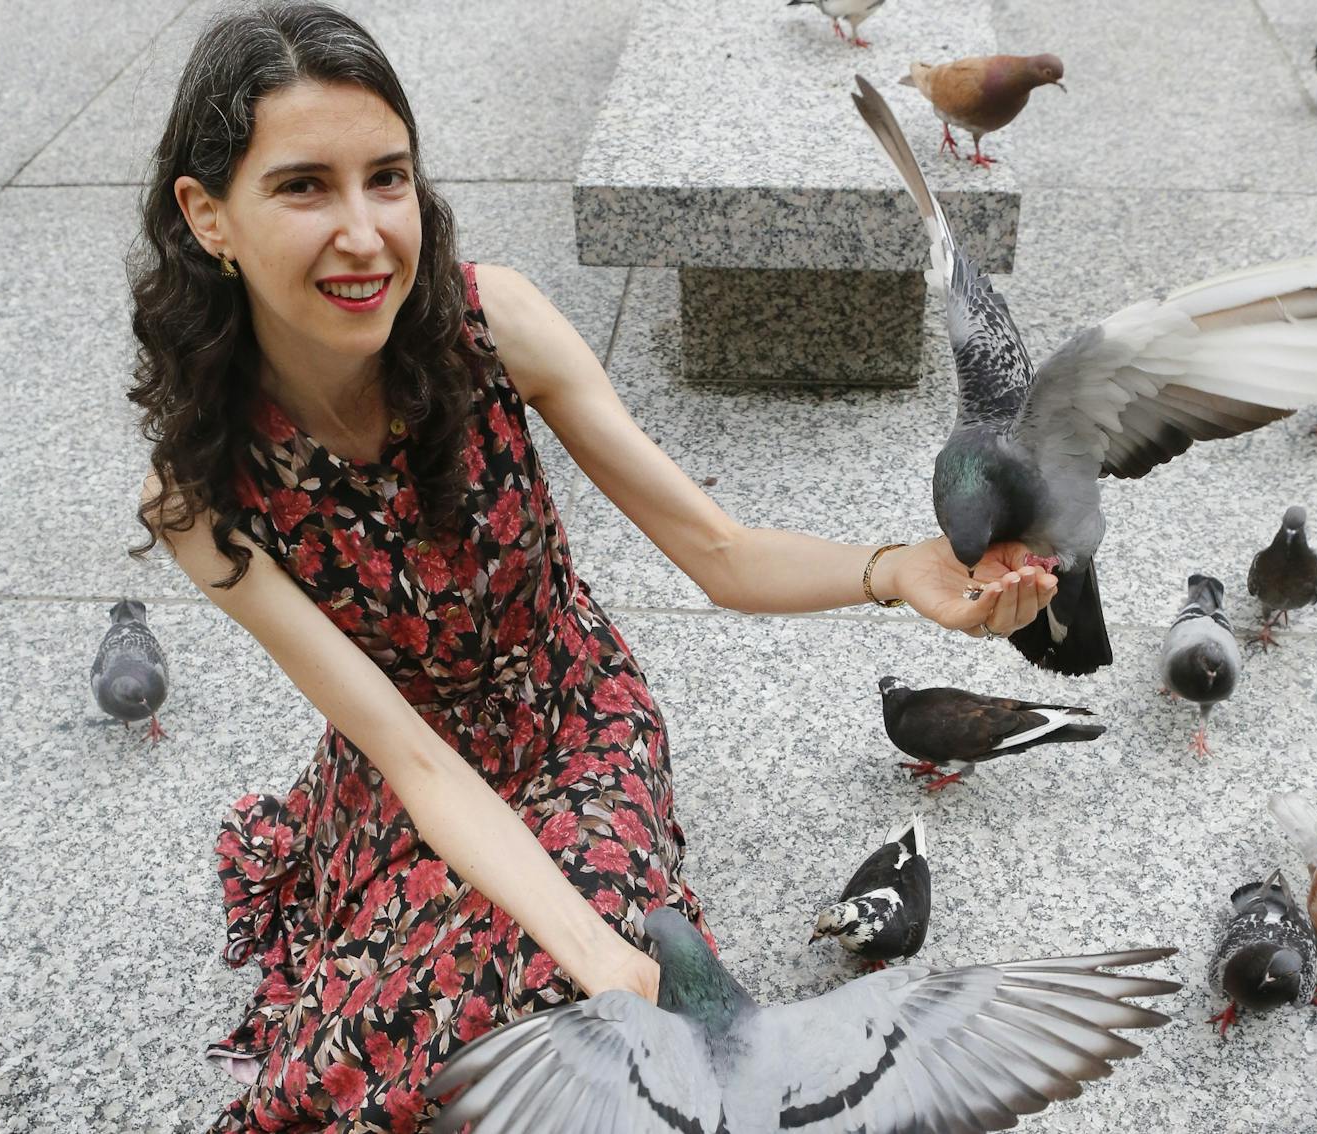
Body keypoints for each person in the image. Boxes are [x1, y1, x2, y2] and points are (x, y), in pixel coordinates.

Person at [127, 3, 1058, 1130]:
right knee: (498, 1031)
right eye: (302, 186)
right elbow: (412, 758)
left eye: (388, 178)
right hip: (408, 780)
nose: (366, 231)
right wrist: (592, 957)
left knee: (606, 1008)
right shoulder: (199, 498)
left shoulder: (493, 322)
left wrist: (894, 569)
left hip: (577, 723)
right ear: (207, 215)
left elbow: (715, 551)